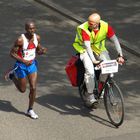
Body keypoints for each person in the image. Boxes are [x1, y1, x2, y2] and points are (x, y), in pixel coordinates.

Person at [73, 12, 124, 106]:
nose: (88, 24)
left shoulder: (105, 26)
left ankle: (102, 88)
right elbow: (88, 47)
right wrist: (94, 61)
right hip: (84, 49)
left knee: (108, 69)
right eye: (88, 22)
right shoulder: (84, 28)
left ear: (97, 23)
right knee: (90, 71)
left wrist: (120, 55)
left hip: (99, 49)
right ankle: (90, 95)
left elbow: (115, 39)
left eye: (91, 23)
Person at [5, 21, 47, 119]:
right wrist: (23, 61)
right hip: (21, 66)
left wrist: (42, 51)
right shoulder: (20, 40)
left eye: (33, 28)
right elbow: (12, 53)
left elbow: (38, 49)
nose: (32, 30)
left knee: (33, 88)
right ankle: (12, 76)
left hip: (32, 65)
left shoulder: (37, 38)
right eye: (30, 29)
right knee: (22, 90)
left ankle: (30, 110)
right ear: (26, 29)